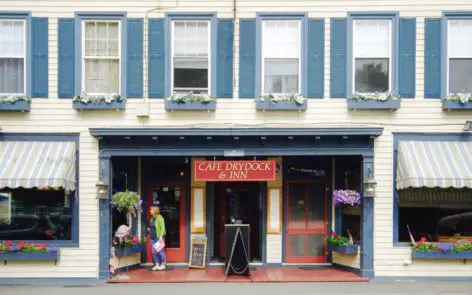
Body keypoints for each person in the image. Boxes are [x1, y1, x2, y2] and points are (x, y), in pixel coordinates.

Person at [149, 206, 166, 271]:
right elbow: (152, 227)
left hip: (158, 237)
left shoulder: (160, 218)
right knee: (154, 251)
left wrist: (161, 237)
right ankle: (157, 264)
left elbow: (163, 228)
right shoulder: (152, 219)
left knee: (160, 251)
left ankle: (163, 264)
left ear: (155, 211)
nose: (150, 211)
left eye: (151, 210)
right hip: (153, 237)